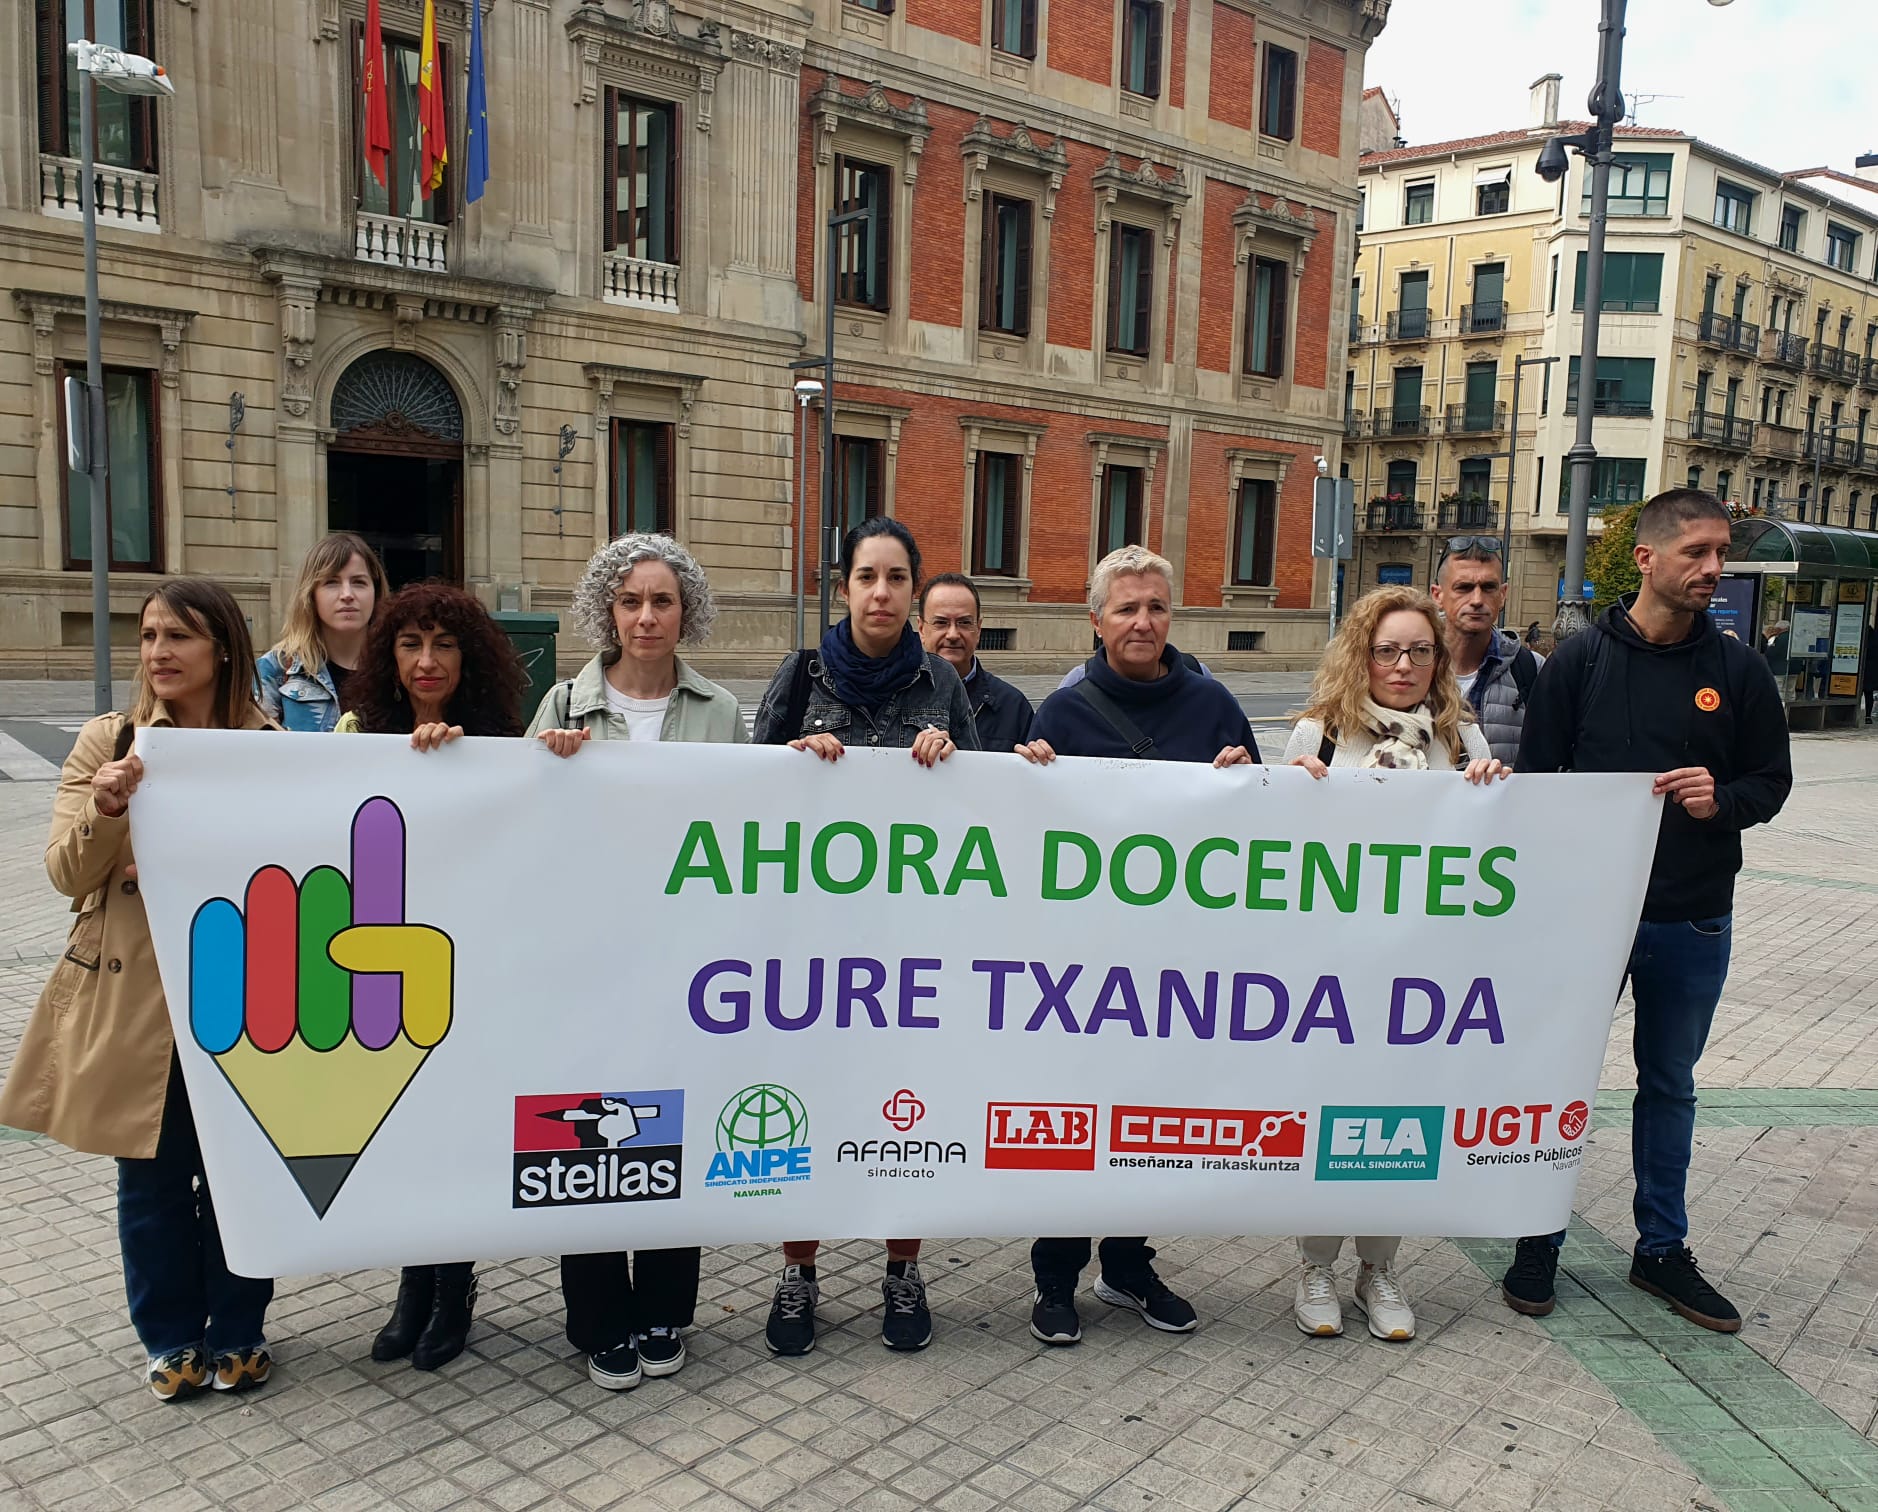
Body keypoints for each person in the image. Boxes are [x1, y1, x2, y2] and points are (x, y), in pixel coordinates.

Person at [1501, 489, 1791, 1332]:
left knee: (1670, 1085)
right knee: (1560, 1080)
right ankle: (1537, 1237)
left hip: (1693, 917)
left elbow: (1770, 784)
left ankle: (1661, 1249)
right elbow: (1536, 794)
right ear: (1646, 559)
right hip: (1587, 924)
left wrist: (1720, 799)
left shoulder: (1737, 670)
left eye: (1720, 553)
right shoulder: (1581, 661)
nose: (1714, 569)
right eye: (1697, 552)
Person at [0, 581, 277, 1401]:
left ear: (221, 648)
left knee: (240, 1171)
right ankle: (168, 1338)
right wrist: (109, 808)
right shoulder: (106, 741)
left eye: (179, 637)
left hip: (239, 991)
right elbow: (64, 874)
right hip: (133, 997)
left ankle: (238, 1329)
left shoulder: (268, 745)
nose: (157, 652)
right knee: (151, 1178)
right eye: (150, 635)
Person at [1016, 544, 1259, 1347]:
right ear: (1096, 621)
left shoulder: (1214, 705)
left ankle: (1127, 1264)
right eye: (1126, 608)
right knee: (1077, 1119)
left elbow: (1264, 830)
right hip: (1081, 974)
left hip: (1179, 970)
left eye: (1156, 606)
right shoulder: (1061, 716)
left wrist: (1245, 779)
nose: (1143, 622)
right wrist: (1031, 780)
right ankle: (1056, 1276)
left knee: (1149, 1121)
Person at [751, 517, 980, 1356]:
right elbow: (747, 796)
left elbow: (982, 802)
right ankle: (798, 1270)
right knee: (808, 1104)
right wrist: (793, 760)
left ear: (914, 592)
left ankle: (901, 1266)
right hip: (809, 948)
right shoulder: (800, 674)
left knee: (905, 1110)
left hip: (912, 947)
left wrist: (949, 752)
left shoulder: (941, 684)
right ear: (843, 587)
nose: (880, 592)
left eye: (894, 578)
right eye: (865, 577)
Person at [526, 534, 744, 1390]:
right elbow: (525, 827)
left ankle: (662, 1307)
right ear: (605, 612)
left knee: (668, 1124)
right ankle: (596, 1315)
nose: (646, 616)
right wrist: (547, 768)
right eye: (630, 601)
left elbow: (747, 827)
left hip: (682, 961)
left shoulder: (722, 712)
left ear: (685, 609)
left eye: (662, 600)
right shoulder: (559, 705)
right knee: (587, 1123)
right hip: (582, 956)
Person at [1282, 585, 1504, 1343]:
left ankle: (1379, 1267)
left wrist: (1491, 798)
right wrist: (1286, 797)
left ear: (1439, 660)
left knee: (1397, 1123)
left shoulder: (1461, 744)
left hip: (1421, 975)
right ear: (1361, 654)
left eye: (1418, 651)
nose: (1402, 665)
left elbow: (1488, 856)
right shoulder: (1316, 737)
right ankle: (1315, 1265)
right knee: (1324, 1116)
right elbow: (1276, 849)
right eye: (1387, 650)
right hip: (1331, 972)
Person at [337, 583, 528, 1370]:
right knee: (405, 1126)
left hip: (473, 961)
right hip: (390, 956)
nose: (426, 661)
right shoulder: (357, 732)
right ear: (389, 654)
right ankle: (414, 1283)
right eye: (410, 643)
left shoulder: (500, 739)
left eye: (443, 644)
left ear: (468, 657)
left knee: (458, 1125)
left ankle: (455, 1287)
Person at [256, 532, 389, 731]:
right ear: (311, 594)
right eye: (331, 582)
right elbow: (255, 751)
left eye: (359, 582)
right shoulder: (275, 669)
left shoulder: (397, 669)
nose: (347, 595)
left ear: (375, 592)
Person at [1428, 537, 1541, 766]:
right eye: (1464, 588)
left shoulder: (1532, 670)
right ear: (1437, 595)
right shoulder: (1406, 666)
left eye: (1488, 587)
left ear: (1503, 594)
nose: (1477, 600)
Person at [916, 572, 1033, 751]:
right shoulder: (895, 698)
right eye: (941, 622)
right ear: (922, 628)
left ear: (978, 629)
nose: (953, 634)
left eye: (964, 623)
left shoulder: (1013, 707)